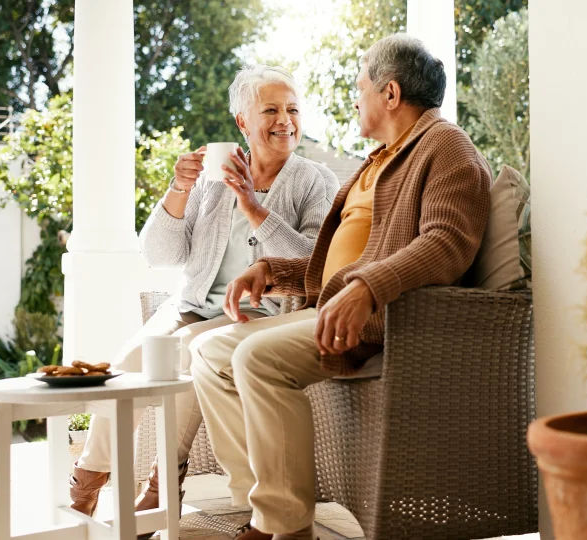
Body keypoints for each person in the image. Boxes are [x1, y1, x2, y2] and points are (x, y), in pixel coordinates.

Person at [190, 34, 492, 540]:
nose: (355, 98)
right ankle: (259, 506)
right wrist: (277, 272)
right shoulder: (380, 159)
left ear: (390, 94)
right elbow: (352, 255)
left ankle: (282, 527)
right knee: (207, 352)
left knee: (254, 358)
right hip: (335, 306)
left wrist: (369, 289)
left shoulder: (445, 147)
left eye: (360, 86)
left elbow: (446, 243)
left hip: (386, 318)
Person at [67, 65, 340, 532]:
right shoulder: (215, 178)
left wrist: (254, 207)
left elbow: (314, 265)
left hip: (260, 314)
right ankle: (91, 477)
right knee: (129, 359)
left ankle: (160, 486)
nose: (286, 121)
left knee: (190, 350)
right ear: (241, 122)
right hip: (192, 302)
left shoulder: (315, 181)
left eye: (293, 109)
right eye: (271, 110)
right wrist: (179, 188)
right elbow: (160, 253)